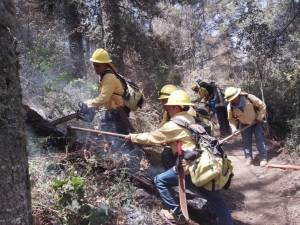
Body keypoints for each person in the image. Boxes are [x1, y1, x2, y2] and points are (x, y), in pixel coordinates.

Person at [125, 90, 233, 225]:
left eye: (169, 107)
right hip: (203, 164)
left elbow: (152, 137)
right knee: (217, 200)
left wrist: (132, 137)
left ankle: (178, 214)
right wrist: (171, 141)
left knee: (160, 181)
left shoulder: (173, 125)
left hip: (188, 167)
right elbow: (183, 137)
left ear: (177, 107)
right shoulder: (189, 118)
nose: (167, 109)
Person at [85, 48, 132, 135]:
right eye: (94, 65)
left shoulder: (108, 77)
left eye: (98, 65)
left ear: (105, 65)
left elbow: (104, 98)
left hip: (118, 113)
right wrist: (96, 105)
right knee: (106, 133)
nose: (95, 68)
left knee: (122, 139)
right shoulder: (105, 76)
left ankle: (131, 148)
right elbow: (107, 95)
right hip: (113, 111)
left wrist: (89, 103)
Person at [224, 87, 268, 166]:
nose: (233, 101)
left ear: (238, 95)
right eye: (230, 100)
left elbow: (262, 106)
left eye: (233, 99)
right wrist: (234, 129)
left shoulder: (250, 98)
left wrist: (259, 117)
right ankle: (248, 157)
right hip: (244, 124)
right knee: (246, 141)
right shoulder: (230, 107)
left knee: (259, 139)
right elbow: (231, 120)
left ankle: (263, 157)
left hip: (256, 122)